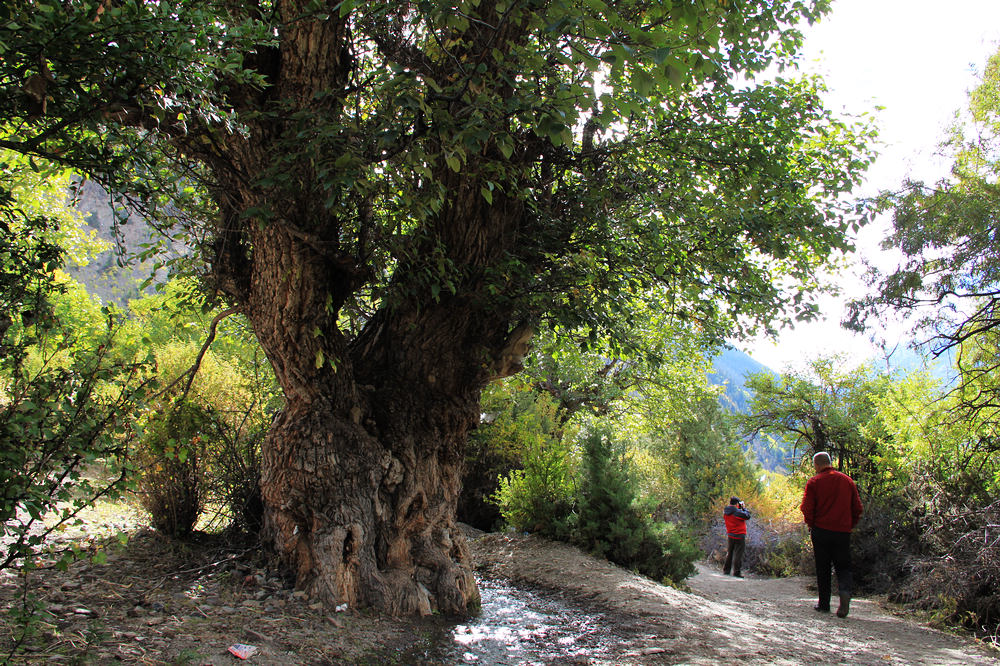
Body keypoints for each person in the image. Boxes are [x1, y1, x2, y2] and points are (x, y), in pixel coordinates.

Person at [800, 451, 863, 618]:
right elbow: (857, 508)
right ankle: (844, 594)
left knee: (823, 567)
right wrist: (850, 524)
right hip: (842, 532)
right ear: (830, 462)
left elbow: (806, 507)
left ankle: (824, 604)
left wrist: (811, 524)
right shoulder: (847, 481)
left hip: (821, 530)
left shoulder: (814, 482)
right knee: (843, 566)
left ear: (818, 465)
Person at [722, 496, 750, 578]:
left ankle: (726, 570)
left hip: (730, 535)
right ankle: (736, 572)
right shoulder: (736, 512)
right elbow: (747, 516)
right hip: (739, 535)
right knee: (738, 554)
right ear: (737, 503)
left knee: (730, 553)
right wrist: (744, 508)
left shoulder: (726, 511)